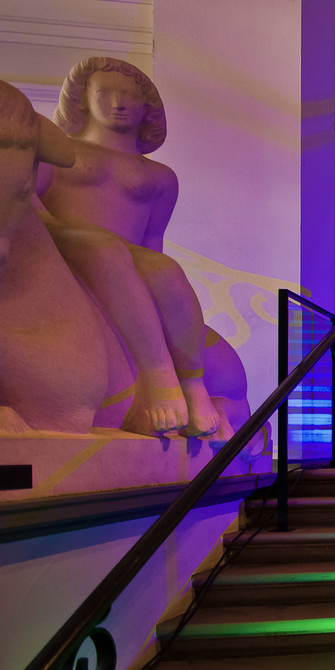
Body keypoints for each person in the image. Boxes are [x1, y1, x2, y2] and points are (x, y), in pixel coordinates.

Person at [39, 58, 221, 436]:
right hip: (62, 237)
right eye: (104, 93)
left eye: (129, 95)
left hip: (124, 251)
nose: (117, 102)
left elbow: (152, 241)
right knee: (106, 251)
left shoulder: (160, 177)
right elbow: (29, 200)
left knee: (166, 270)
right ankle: (157, 376)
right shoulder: (57, 151)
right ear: (83, 99)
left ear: (147, 107)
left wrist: (153, 279)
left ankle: (192, 382)